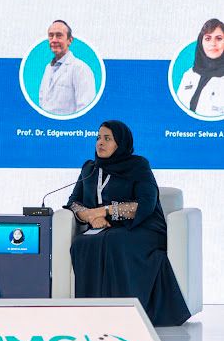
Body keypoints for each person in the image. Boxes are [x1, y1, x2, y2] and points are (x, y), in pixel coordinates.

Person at [64, 120, 190, 326]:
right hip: (103, 228)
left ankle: (126, 313)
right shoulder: (89, 169)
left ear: (121, 143)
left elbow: (146, 203)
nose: (100, 143)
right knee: (81, 243)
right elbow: (73, 202)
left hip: (143, 228)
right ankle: (92, 312)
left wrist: (104, 210)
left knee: (116, 241)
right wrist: (90, 216)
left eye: (107, 138)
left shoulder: (138, 166)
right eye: (98, 138)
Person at [38, 20, 95, 115]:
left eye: (59, 35)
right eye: (51, 35)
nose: (54, 40)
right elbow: (42, 101)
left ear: (70, 40)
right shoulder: (48, 68)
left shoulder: (80, 68)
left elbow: (85, 107)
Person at [176, 18, 224, 117]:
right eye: (208, 38)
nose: (213, 43)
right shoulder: (189, 75)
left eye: (219, 38)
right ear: (201, 42)